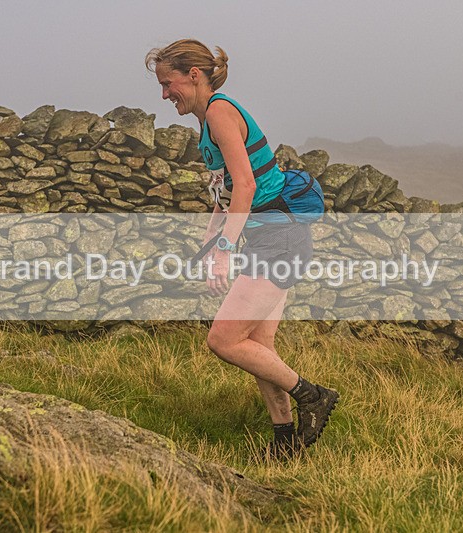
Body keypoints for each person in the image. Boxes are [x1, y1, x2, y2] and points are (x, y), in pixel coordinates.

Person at [145, 39, 338, 461]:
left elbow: (248, 186)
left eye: (167, 83)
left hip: (279, 240)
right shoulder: (208, 122)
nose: (164, 95)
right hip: (270, 237)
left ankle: (315, 396)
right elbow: (226, 192)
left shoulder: (219, 111)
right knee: (258, 346)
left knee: (224, 339)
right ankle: (286, 443)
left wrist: (224, 251)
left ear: (193, 75)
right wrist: (209, 242)